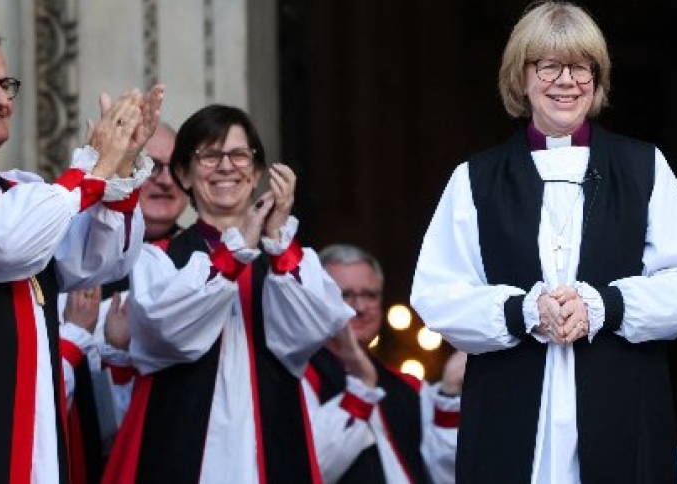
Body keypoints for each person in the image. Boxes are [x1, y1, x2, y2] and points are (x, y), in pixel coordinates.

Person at [408, 2, 677, 483]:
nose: (566, 80)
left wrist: (604, 306)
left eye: (580, 66)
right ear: (521, 77)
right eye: (549, 65)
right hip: (509, 409)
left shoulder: (643, 168)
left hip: (621, 404)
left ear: (597, 77)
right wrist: (525, 311)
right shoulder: (476, 179)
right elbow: (437, 293)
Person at [0, 20, 164, 484]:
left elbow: (94, 262)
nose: (2, 99)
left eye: (6, 85)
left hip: (32, 411)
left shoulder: (16, 189)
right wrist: (93, 166)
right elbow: (7, 242)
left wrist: (117, 172)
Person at [100, 103, 353, 484]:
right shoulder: (159, 259)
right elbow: (170, 334)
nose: (225, 166)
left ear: (256, 173)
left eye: (239, 155)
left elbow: (309, 332)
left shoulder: (288, 257)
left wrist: (279, 244)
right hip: (179, 445)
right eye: (209, 156)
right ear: (184, 173)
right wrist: (233, 256)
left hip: (270, 444)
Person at [58, 121, 187, 483]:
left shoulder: (201, 260)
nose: (165, 180)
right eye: (151, 166)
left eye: (175, 168)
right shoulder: (77, 253)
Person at [304, 243, 462, 484]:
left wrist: (450, 390)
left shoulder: (408, 387)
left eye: (370, 295)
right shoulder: (298, 378)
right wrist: (362, 391)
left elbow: (447, 475)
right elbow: (309, 469)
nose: (359, 308)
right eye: (344, 295)